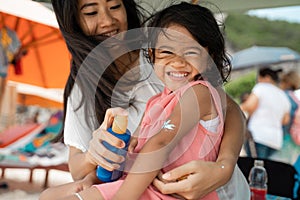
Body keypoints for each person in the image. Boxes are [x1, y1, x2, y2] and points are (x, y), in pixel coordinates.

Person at [40, 2, 249, 200]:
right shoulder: (155, 95)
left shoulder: (195, 88)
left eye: (114, 6)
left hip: (161, 191)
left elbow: (161, 141)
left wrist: (225, 165)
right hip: (137, 183)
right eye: (91, 12)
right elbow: (134, 146)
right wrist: (97, 164)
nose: (106, 20)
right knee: (47, 196)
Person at [241, 67, 291, 159]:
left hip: (258, 135)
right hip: (275, 139)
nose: (258, 81)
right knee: (268, 169)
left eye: (259, 78)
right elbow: (285, 120)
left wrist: (239, 108)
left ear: (266, 77)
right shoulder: (283, 95)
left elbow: (250, 106)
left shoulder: (261, 88)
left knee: (255, 167)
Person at [270, 70, 300, 164]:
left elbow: (284, 119)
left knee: (281, 165)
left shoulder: (284, 96)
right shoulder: (295, 96)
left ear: (286, 82)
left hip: (286, 136)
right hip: (295, 136)